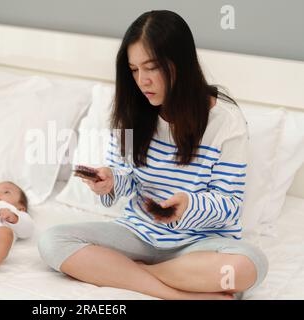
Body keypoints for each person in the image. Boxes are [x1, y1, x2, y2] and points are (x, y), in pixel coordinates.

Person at [38, 10, 268, 300]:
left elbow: (229, 204)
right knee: (52, 241)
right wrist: (111, 182)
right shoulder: (131, 111)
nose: (142, 81)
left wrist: (188, 204)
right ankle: (183, 295)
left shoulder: (225, 120)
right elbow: (127, 179)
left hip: (199, 244)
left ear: (180, 64)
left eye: (151, 68)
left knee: (248, 266)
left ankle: (124, 271)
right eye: (134, 70)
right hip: (138, 235)